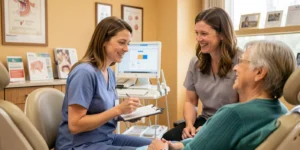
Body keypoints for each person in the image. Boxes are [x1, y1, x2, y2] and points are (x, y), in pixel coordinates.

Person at [141, 40, 296, 150]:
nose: (235, 68)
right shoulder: (280, 110)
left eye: (242, 62)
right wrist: (175, 146)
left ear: (260, 73)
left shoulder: (234, 114)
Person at [55, 16, 151, 150]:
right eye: (122, 42)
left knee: (155, 145)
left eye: (128, 43)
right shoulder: (84, 73)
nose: (126, 49)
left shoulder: (109, 73)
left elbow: (104, 114)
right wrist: (117, 110)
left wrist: (127, 113)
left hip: (106, 139)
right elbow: (75, 125)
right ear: (104, 41)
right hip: (80, 145)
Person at [162, 7, 241, 141]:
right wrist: (189, 125)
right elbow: (190, 101)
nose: (198, 38)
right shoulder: (196, 62)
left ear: (222, 34)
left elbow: (244, 108)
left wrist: (211, 129)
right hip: (205, 120)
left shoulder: (241, 62)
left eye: (204, 33)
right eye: (196, 33)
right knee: (168, 138)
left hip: (231, 124)